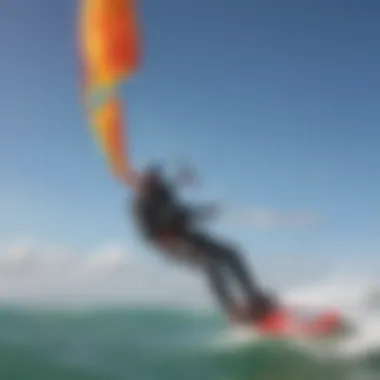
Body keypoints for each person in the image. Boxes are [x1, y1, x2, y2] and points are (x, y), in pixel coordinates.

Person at [125, 163, 277, 323]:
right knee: (211, 264)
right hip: (170, 244)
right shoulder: (139, 205)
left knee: (232, 253)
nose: (158, 183)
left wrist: (205, 211)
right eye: (153, 181)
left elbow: (184, 212)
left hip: (189, 236)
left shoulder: (164, 193)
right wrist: (168, 221)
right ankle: (231, 310)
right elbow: (149, 236)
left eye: (158, 180)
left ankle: (254, 297)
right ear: (145, 183)